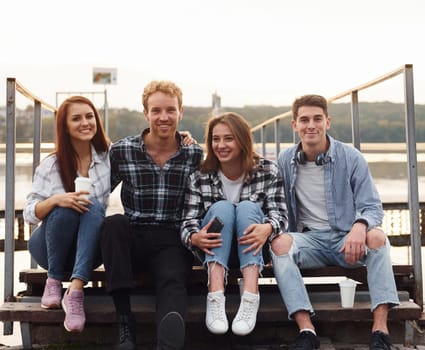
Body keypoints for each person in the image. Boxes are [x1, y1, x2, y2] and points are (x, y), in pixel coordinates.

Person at [270, 95, 400, 350]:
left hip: (346, 240)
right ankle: (307, 331)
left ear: (327, 122)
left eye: (317, 119)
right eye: (304, 120)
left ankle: (380, 331)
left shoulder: (351, 157)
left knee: (377, 238)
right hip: (309, 241)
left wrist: (359, 226)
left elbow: (372, 206)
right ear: (294, 125)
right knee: (279, 244)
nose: (311, 125)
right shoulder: (285, 160)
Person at [100, 80, 203, 350]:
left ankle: (169, 341)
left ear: (181, 112)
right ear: (145, 113)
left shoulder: (194, 154)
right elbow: (98, 194)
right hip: (133, 234)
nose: (164, 117)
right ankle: (125, 322)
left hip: (172, 237)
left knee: (172, 279)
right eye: (156, 110)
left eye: (170, 110)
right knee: (113, 223)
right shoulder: (122, 151)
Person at [181, 112, 287, 336]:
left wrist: (267, 228)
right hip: (214, 252)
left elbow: (281, 217)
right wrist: (194, 237)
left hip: (255, 251)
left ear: (242, 140)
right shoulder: (199, 175)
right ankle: (215, 295)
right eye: (215, 139)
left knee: (247, 208)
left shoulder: (268, 170)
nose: (221, 145)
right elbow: (187, 221)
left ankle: (250, 296)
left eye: (228, 138)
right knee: (223, 209)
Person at [23, 96, 110, 333]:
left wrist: (180, 138)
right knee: (65, 208)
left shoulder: (108, 157)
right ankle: (53, 282)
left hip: (88, 251)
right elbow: (29, 214)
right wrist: (56, 200)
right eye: (76, 118)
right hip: (50, 250)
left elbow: (144, 148)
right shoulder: (50, 165)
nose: (85, 122)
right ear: (65, 126)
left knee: (92, 208)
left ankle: (75, 292)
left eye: (89, 116)